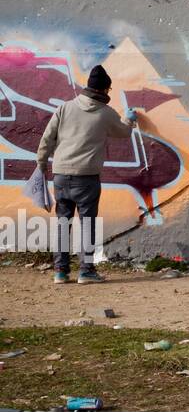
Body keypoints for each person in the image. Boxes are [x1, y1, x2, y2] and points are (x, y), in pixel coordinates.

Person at [35, 64, 137, 284]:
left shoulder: (65, 108)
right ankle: (86, 271)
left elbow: (47, 139)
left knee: (63, 223)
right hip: (87, 178)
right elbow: (124, 132)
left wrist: (41, 164)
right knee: (87, 224)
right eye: (108, 90)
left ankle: (60, 272)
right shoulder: (107, 113)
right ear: (102, 91)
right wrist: (130, 119)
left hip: (61, 174)